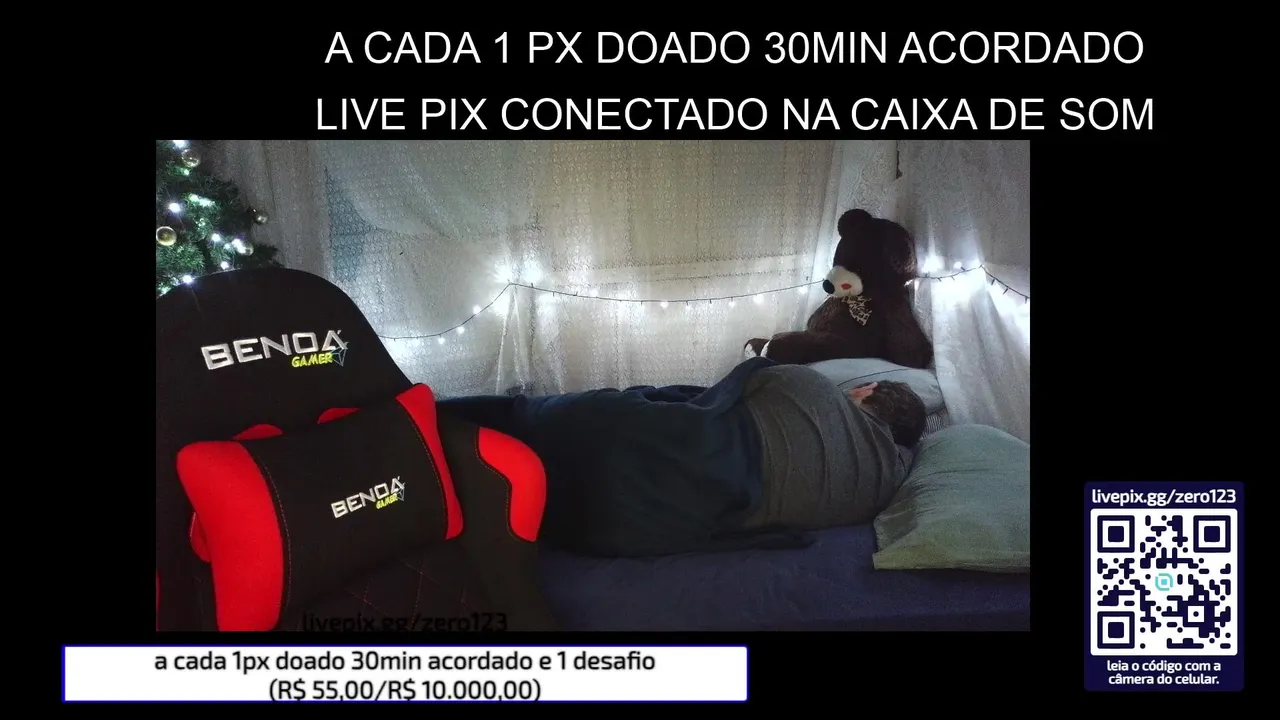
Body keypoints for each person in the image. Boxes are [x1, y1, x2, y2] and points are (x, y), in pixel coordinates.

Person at [437, 358, 926, 558]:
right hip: (639, 524)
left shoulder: (815, 388)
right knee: (514, 502)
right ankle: (432, 501)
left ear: (865, 390)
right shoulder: (880, 491)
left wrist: (643, 396)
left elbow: (713, 393)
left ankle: (421, 423)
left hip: (624, 439)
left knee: (520, 417)